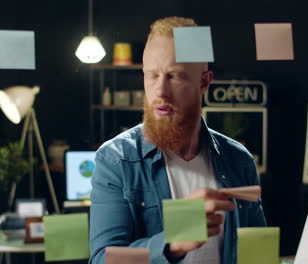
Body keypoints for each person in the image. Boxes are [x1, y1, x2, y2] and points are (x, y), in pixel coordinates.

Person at [89, 16, 266, 264]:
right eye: (152, 75)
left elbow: (256, 253)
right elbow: (101, 260)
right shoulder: (117, 160)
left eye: (175, 76)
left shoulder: (238, 159)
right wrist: (173, 242)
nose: (160, 91)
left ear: (204, 82)